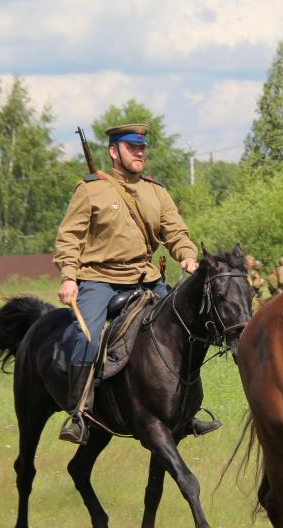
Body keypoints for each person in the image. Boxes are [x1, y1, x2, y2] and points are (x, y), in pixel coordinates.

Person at [54, 123, 220, 444]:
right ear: (114, 152)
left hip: (146, 279)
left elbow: (176, 232)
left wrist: (186, 255)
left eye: (142, 147)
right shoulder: (90, 189)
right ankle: (79, 413)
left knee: (185, 330)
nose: (140, 152)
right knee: (86, 336)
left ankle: (187, 411)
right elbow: (69, 237)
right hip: (100, 279)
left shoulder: (156, 191)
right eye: (133, 148)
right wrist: (68, 277)